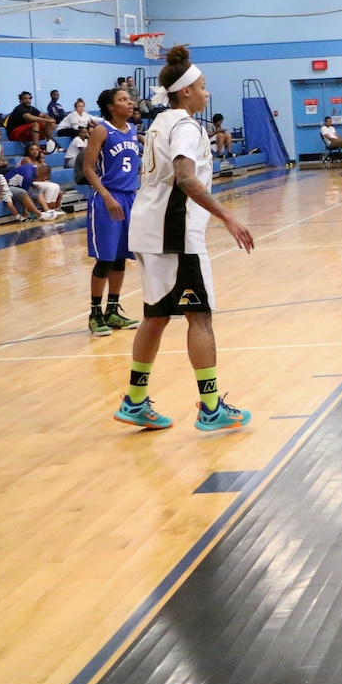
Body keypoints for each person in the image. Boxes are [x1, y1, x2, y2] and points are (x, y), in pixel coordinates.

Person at [113, 45, 255, 432]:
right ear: (186, 91)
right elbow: (185, 176)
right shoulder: (187, 126)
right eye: (203, 87)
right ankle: (211, 409)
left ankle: (135, 401)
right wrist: (226, 215)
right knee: (200, 317)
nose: (207, 93)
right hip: (174, 233)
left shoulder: (160, 121)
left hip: (147, 230)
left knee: (156, 316)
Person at [83, 87, 144, 337]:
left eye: (130, 100)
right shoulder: (101, 130)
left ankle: (112, 310)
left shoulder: (132, 131)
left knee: (120, 259)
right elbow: (88, 168)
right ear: (110, 106)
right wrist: (107, 196)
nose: (129, 103)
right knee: (105, 259)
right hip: (107, 198)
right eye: (123, 100)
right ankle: (95, 314)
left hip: (130, 198)